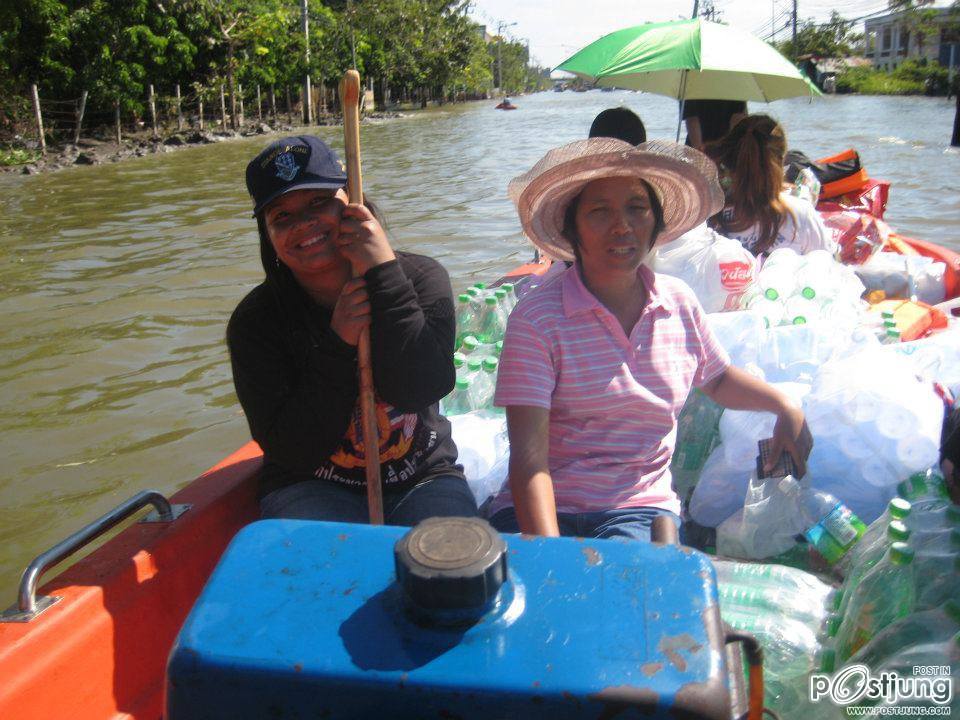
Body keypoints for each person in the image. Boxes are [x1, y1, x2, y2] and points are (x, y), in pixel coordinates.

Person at [489, 137, 813, 540]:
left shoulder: (678, 302)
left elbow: (717, 379)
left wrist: (784, 405)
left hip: (636, 507)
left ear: (656, 224)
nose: (622, 225)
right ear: (572, 229)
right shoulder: (537, 320)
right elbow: (529, 463)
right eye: (599, 212)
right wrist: (554, 560)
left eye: (636, 209)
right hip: (545, 503)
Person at [228, 135, 478, 524]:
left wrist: (385, 277)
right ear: (268, 235)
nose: (305, 224)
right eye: (282, 217)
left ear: (354, 201)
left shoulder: (422, 279)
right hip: (309, 485)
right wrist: (339, 341)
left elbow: (421, 389)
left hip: (422, 478)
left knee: (455, 576)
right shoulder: (256, 322)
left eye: (318, 203)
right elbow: (292, 451)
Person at [709, 114, 836, 259]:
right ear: (782, 160)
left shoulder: (709, 215)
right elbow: (829, 267)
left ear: (730, 160)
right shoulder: (800, 213)